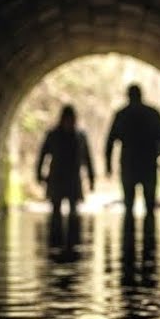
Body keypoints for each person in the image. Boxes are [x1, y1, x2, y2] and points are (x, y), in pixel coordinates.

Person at [105, 84, 160, 229]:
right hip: (149, 164)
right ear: (141, 95)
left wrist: (108, 166)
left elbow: (110, 142)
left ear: (128, 96)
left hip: (129, 165)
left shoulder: (122, 114)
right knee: (150, 206)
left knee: (129, 206)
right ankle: (150, 243)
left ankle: (128, 244)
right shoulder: (153, 113)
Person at [36, 104, 96, 249]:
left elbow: (87, 158)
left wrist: (91, 178)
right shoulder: (53, 135)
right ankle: (55, 243)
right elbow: (43, 155)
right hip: (56, 178)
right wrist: (39, 173)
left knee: (74, 212)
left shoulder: (80, 136)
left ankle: (73, 243)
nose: (70, 122)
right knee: (55, 211)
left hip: (73, 179)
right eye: (68, 119)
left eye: (72, 119)